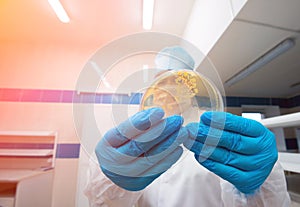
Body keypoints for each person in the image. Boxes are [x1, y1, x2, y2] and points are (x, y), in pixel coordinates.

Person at [84, 46, 291, 207]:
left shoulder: (217, 131)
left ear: (191, 88)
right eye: (163, 82)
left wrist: (258, 186)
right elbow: (104, 203)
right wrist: (111, 180)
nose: (169, 89)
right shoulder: (135, 135)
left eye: (177, 82)